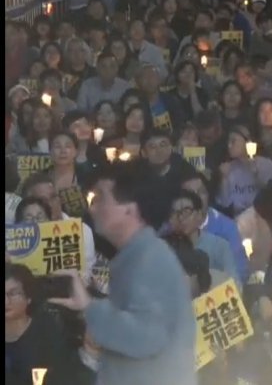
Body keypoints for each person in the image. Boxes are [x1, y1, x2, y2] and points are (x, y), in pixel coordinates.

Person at [48, 165, 197, 384]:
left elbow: (145, 338)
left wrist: (90, 307)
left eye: (101, 199)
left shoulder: (150, 260)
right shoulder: (138, 255)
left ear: (130, 209)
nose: (93, 208)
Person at [4, 264, 71, 385]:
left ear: (28, 297)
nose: (6, 301)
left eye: (13, 293)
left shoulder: (46, 330)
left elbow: (61, 374)